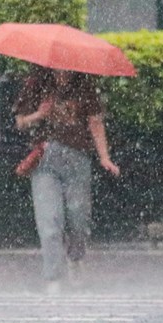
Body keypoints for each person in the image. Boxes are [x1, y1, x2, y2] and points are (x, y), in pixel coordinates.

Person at [13, 66, 119, 294]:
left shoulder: (84, 84)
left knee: (78, 217)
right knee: (49, 221)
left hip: (77, 158)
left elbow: (95, 122)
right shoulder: (36, 82)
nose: (62, 70)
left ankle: (76, 258)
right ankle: (53, 276)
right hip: (44, 161)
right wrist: (39, 115)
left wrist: (104, 157)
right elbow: (20, 122)